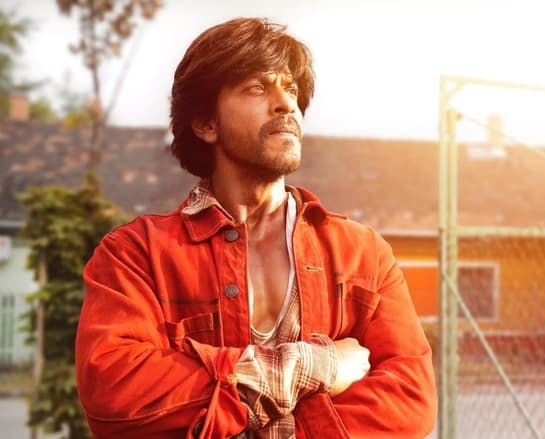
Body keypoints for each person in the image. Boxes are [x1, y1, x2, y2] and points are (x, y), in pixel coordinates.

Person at [75, 17, 436, 438]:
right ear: (206, 124)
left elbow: (411, 401)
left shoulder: (362, 253)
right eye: (257, 88)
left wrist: (229, 399)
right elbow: (115, 391)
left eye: (291, 89)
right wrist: (315, 366)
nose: (285, 104)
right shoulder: (136, 254)